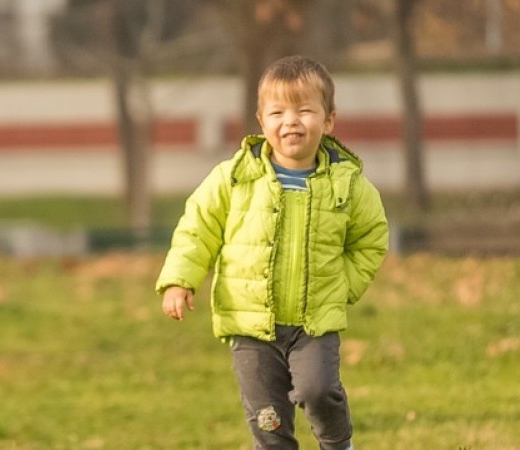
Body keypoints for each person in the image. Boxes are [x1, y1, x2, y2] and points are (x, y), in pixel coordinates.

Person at [155, 55, 388, 450]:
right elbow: (197, 227)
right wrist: (180, 279)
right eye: (278, 112)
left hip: (315, 323)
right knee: (269, 419)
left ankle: (338, 444)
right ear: (261, 122)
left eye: (304, 110)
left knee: (319, 392)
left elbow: (371, 239)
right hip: (251, 326)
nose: (291, 121)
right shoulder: (234, 178)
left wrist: (341, 286)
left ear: (328, 120)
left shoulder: (348, 184)